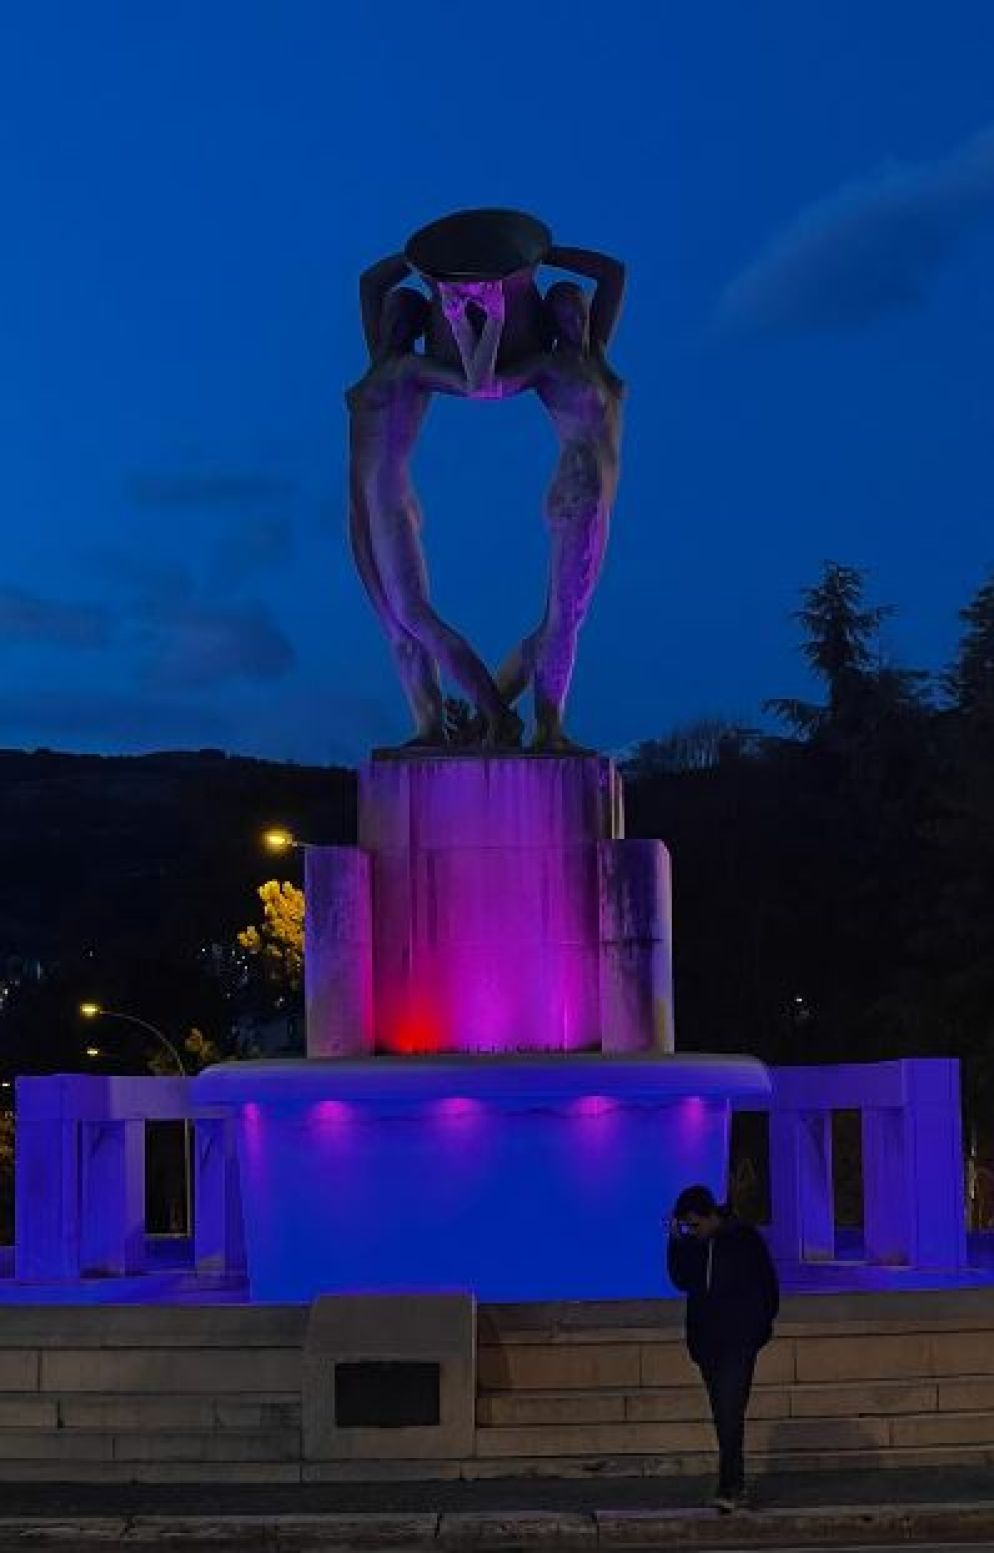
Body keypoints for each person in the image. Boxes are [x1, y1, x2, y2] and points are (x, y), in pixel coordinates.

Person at [347, 254, 522, 748]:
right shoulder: (377, 363)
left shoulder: (416, 368)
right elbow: (369, 281)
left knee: (416, 614)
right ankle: (428, 726)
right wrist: (420, 259)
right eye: (390, 315)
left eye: (406, 317)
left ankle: (496, 713)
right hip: (359, 502)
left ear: (418, 326)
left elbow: (478, 384)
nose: (394, 322)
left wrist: (458, 301)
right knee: (396, 628)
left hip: (390, 501)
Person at [484, 245, 626, 751]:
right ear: (551, 320)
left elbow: (612, 272)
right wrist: (487, 314)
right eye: (563, 312)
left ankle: (493, 707)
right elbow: (486, 386)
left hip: (598, 498)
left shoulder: (596, 356)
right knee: (566, 617)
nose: (575, 318)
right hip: (577, 490)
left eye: (579, 310)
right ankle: (548, 727)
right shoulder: (546, 365)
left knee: (563, 618)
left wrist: (542, 256)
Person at [666, 1184, 779, 1512]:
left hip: (738, 1342)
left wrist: (756, 1330)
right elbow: (681, 1279)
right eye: (688, 1226)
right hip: (708, 1343)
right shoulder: (694, 1246)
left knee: (730, 1412)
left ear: (710, 1215)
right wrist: (675, 1241)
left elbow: (767, 1287)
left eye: (695, 1224)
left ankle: (731, 1485)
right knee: (722, 1414)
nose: (693, 1231)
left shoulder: (743, 1239)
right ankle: (731, 1483)